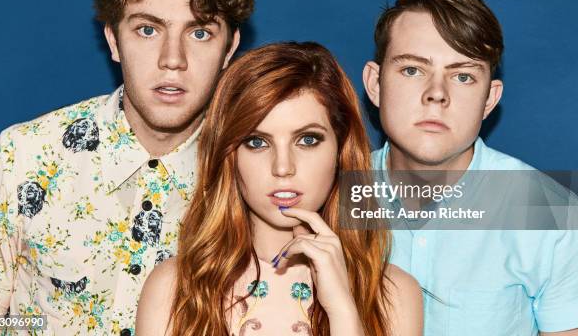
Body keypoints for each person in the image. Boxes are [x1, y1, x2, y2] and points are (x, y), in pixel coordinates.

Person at [0, 0, 253, 334]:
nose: (172, 59)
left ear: (229, 49)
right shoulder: (23, 155)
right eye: (148, 29)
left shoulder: (253, 177)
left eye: (199, 32)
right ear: (113, 40)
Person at [136, 42, 423, 335]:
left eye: (307, 140)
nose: (283, 167)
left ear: (340, 150)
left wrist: (343, 310)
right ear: (229, 156)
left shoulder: (394, 295)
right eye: (257, 142)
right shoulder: (173, 290)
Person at [363, 0, 578, 335]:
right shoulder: (326, 199)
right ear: (375, 84)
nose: (436, 94)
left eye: (463, 76)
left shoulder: (557, 219)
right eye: (412, 70)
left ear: (489, 99)